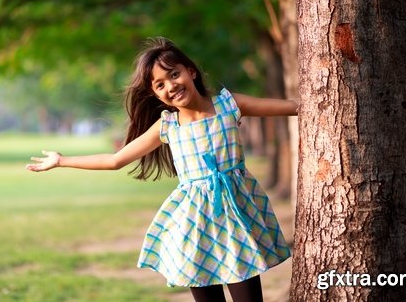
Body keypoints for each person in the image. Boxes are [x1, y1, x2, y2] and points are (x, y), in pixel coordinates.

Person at [26, 37, 298, 302]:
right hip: (194, 227)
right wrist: (62, 160)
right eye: (160, 84)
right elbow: (115, 160)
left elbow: (295, 108)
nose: (171, 86)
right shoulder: (167, 126)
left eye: (174, 74)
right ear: (155, 94)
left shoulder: (229, 105)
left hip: (236, 219)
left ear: (190, 71)